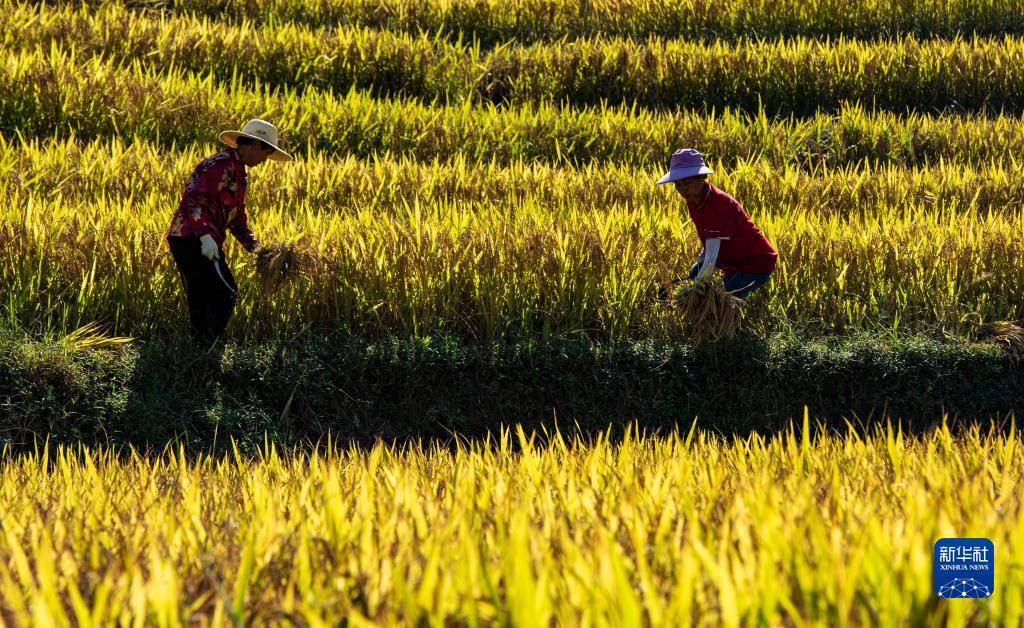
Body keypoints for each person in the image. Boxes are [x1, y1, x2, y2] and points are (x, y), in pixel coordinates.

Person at [166, 119, 292, 346]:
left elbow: (236, 219)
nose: (266, 159)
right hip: (191, 238)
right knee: (226, 293)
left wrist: (256, 247)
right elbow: (193, 199)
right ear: (255, 145)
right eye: (267, 152)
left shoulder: (238, 171)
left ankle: (198, 351)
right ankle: (208, 348)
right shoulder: (222, 165)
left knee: (201, 297)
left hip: (194, 239)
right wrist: (205, 237)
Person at [656, 149, 777, 299]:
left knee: (719, 304)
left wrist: (695, 291)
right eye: (677, 185)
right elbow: (710, 241)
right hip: (736, 264)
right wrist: (700, 263)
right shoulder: (694, 200)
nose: (682, 190)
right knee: (719, 304)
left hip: (755, 262)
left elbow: (711, 257)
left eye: (686, 183)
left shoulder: (718, 205)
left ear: (702, 177)